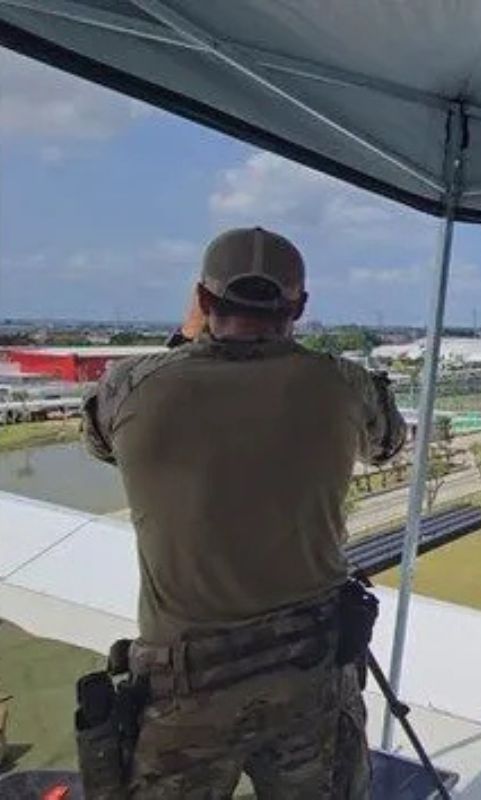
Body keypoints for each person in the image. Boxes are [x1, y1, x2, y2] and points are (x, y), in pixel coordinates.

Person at [82, 227, 405, 799]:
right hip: (309, 676)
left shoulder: (131, 387)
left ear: (203, 303)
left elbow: (103, 443)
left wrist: (186, 343)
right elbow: (387, 444)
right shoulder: (343, 385)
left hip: (186, 692)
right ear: (299, 307)